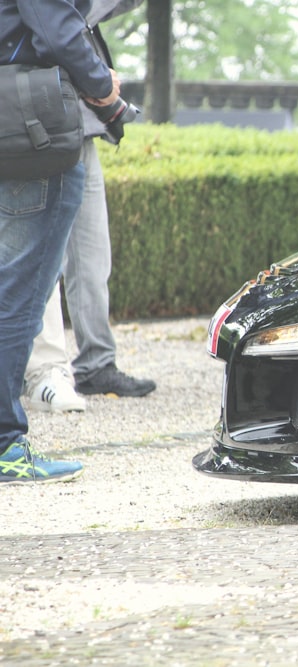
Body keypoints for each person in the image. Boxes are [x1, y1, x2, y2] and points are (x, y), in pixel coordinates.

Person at [0, 0, 120, 482]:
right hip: (35, 128)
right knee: (20, 295)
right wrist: (104, 89)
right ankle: (6, 445)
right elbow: (55, 28)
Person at [21, 0, 155, 414]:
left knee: (93, 257)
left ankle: (95, 362)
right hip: (36, 118)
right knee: (37, 257)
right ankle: (42, 372)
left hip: (81, 121)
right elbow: (57, 26)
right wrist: (101, 83)